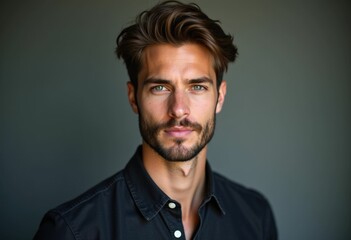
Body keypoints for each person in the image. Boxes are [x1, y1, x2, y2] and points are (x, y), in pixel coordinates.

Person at [33, 1, 277, 239]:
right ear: (133, 97)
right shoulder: (71, 231)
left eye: (197, 87)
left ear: (220, 97)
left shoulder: (255, 216)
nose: (179, 109)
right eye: (160, 87)